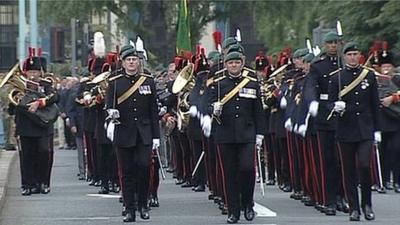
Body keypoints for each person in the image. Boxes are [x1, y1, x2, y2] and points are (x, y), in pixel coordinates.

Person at [206, 49, 265, 224]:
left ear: (241, 64)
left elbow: (258, 111)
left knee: (247, 169)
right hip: (225, 133)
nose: (234, 65)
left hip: (247, 133)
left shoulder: (252, 83)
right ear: (225, 65)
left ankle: (247, 203)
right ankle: (233, 210)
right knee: (229, 174)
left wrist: (260, 134)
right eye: (231, 63)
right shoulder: (217, 84)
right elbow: (207, 105)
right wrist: (213, 108)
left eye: (237, 63)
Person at [105, 44, 160, 222]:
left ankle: (143, 205)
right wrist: (111, 113)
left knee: (144, 168)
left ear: (138, 62)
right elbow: (109, 105)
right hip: (124, 131)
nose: (131, 62)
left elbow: (153, 111)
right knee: (126, 172)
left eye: (134, 60)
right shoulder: (114, 82)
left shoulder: (148, 81)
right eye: (128, 60)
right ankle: (129, 209)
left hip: (144, 133)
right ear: (122, 62)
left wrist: (156, 136)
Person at [328, 42, 380, 221]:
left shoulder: (369, 76)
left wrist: (377, 129)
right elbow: (328, 102)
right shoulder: (337, 78)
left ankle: (367, 204)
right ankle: (354, 207)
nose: (352, 57)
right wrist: (336, 106)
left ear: (360, 56)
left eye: (356, 54)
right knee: (348, 170)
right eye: (349, 54)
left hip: (365, 128)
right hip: (346, 128)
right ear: (344, 57)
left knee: (364, 166)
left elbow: (375, 104)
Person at [11, 50, 59, 195]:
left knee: (44, 153)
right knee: (27, 156)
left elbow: (56, 97)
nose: (33, 74)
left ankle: (43, 182)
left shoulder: (46, 85)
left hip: (43, 125)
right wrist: (20, 101)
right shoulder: (20, 86)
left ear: (41, 72)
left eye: (36, 71)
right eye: (30, 71)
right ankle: (28, 184)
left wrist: (39, 102)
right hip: (25, 126)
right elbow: (11, 108)